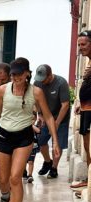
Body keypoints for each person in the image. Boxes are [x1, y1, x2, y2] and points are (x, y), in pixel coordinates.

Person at [0, 57, 60, 202]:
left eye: (19, 74)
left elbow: (49, 117)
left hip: (23, 138)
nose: (16, 77)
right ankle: (5, 196)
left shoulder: (36, 92)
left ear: (27, 73)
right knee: (3, 179)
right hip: (3, 135)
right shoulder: (3, 90)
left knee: (15, 177)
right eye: (13, 74)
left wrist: (55, 141)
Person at [33, 64, 70, 179]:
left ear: (50, 75)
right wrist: (40, 115)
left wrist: (57, 122)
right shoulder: (37, 83)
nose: (42, 82)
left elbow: (65, 105)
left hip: (61, 118)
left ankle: (54, 168)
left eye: (44, 79)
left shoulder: (61, 83)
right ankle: (47, 161)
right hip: (45, 116)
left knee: (57, 143)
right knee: (41, 140)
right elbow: (36, 101)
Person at [74, 30, 91, 188]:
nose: (80, 47)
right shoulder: (88, 61)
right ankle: (89, 180)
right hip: (86, 107)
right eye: (79, 44)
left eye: (84, 44)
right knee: (87, 145)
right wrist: (81, 102)